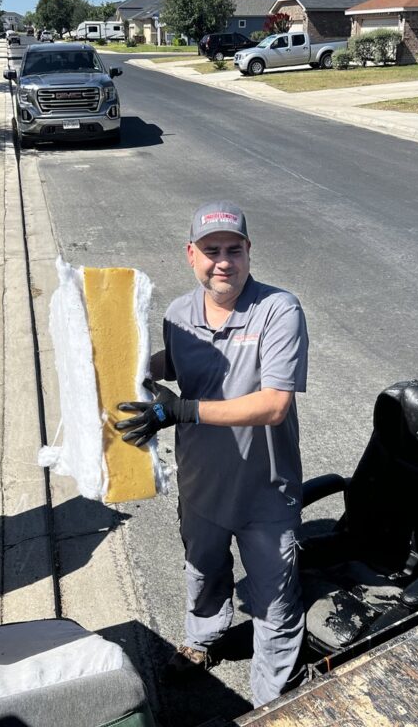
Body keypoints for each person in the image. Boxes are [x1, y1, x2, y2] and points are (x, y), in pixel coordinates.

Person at [116, 201, 309, 707]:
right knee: (202, 569)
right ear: (190, 255)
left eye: (233, 250)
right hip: (201, 484)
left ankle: (274, 701)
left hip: (265, 491)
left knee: (274, 602)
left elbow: (273, 404)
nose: (222, 261)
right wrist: (120, 364)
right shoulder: (179, 315)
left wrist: (183, 411)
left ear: (248, 252)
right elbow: (176, 364)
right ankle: (203, 638)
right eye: (210, 251)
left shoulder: (278, 310)